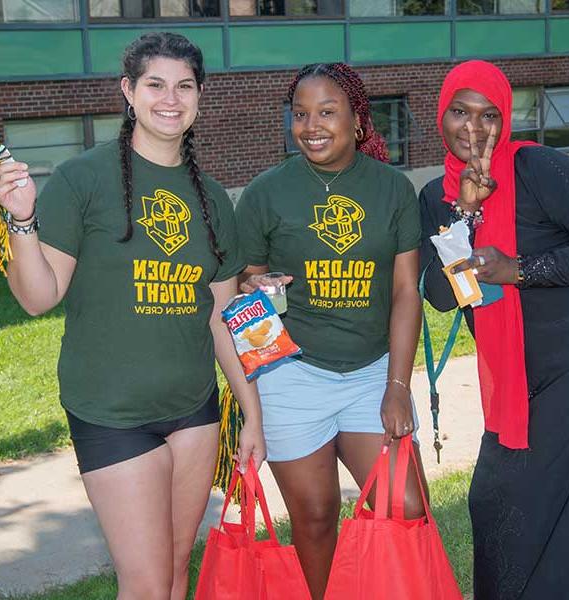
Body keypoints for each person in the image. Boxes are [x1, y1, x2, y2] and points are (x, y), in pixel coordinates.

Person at [0, 32, 265, 600]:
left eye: (184, 86)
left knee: (172, 572)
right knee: (143, 582)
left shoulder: (213, 199)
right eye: (155, 84)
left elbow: (221, 316)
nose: (171, 98)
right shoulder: (82, 179)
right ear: (128, 91)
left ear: (199, 97)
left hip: (194, 412)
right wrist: (21, 222)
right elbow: (38, 296)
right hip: (112, 414)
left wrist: (251, 412)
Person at [419, 60, 569, 599]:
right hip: (516, 383)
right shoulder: (435, 198)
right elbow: (440, 295)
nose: (472, 128)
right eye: (459, 112)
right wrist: (467, 216)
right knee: (499, 509)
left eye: (488, 115)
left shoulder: (542, 170)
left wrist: (519, 269)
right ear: (440, 114)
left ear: (506, 120)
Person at [235, 62, 427, 599]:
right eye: (300, 114)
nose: (311, 125)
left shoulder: (391, 189)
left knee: (406, 506)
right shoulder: (266, 192)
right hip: (291, 376)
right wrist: (256, 284)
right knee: (315, 518)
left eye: (326, 111)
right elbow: (244, 281)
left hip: (370, 375)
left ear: (358, 121)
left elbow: (405, 291)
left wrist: (396, 386)